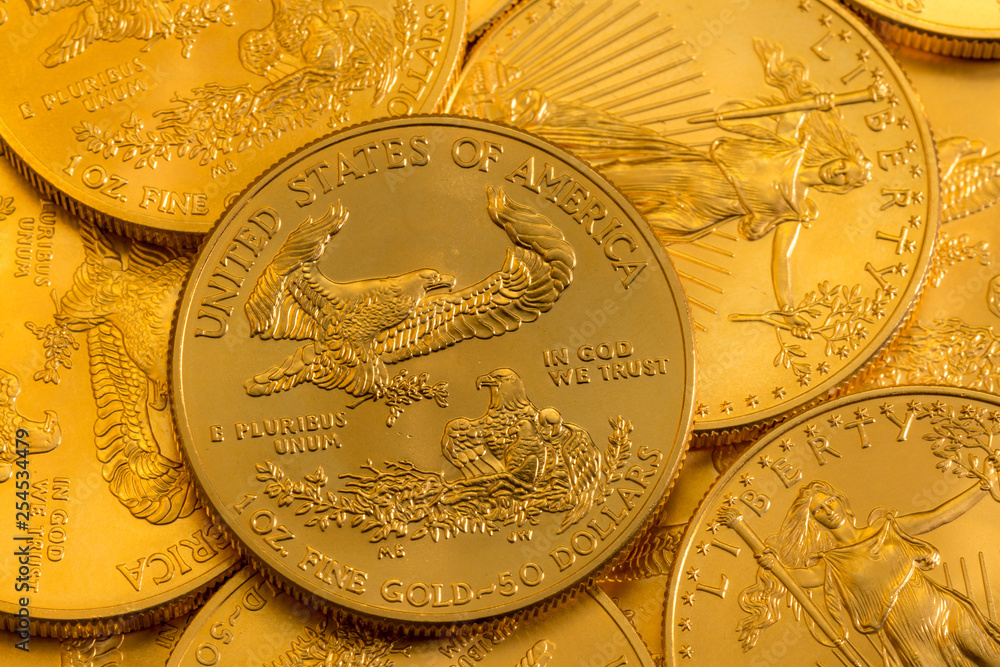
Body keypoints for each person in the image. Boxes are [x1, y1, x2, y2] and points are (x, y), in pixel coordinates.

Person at [461, 39, 873, 334]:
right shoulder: (788, 147)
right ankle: (511, 147)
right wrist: (813, 102)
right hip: (685, 172)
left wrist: (786, 307)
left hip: (693, 213)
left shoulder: (796, 209)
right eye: (844, 167)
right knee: (605, 178)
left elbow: (781, 261)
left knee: (608, 229)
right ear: (836, 158)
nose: (839, 175)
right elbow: (791, 114)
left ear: (840, 188)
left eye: (845, 181)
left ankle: (518, 251)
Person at [737, 480, 1000, 665]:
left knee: (990, 657)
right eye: (818, 510)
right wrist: (774, 566)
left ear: (841, 501)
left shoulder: (886, 529)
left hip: (944, 610)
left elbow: (938, 516)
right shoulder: (833, 562)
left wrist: (983, 485)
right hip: (907, 635)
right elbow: (803, 578)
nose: (828, 510)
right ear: (814, 521)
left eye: (830, 501)